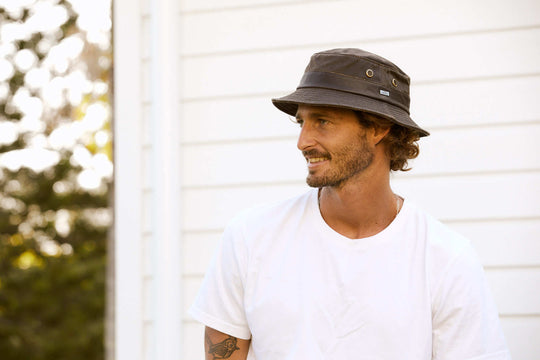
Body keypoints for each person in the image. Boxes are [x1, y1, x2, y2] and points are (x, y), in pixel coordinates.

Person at [189, 48, 511, 360]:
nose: (303, 141)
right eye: (302, 123)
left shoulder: (446, 258)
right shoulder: (250, 237)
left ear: (377, 128)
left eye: (323, 122)